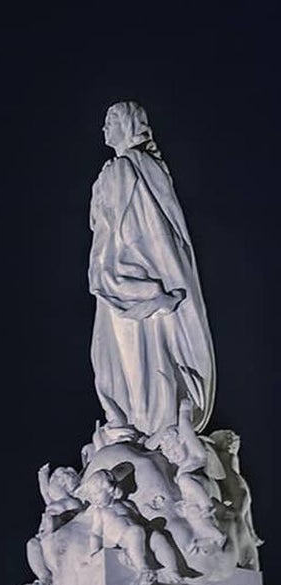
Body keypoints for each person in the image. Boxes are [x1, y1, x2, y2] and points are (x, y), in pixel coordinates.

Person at [88, 102, 215, 440]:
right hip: (135, 279)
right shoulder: (145, 169)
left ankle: (151, 431)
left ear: (129, 125)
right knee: (137, 352)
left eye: (111, 121)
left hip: (130, 278)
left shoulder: (124, 169)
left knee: (134, 355)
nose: (104, 129)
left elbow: (126, 231)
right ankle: (147, 428)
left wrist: (121, 276)